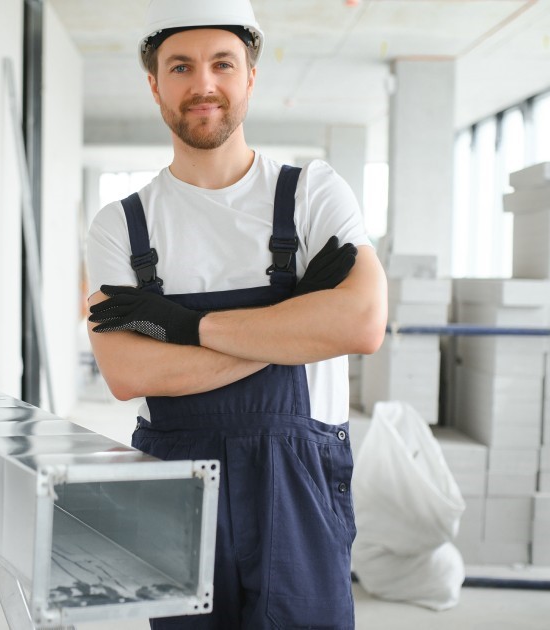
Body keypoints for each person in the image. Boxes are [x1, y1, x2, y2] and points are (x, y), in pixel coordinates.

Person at [84, 0, 388, 628]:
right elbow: (127, 372)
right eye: (180, 66)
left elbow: (359, 324)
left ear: (250, 74)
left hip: (298, 479)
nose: (203, 85)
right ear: (153, 84)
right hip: (173, 484)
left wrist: (184, 328)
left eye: (223, 63)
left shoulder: (313, 194)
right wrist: (295, 318)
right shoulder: (119, 225)